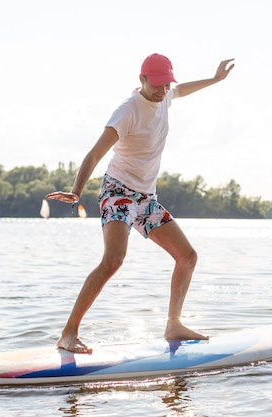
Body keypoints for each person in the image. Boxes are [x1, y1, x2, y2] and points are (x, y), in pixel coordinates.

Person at [46, 53, 235, 353]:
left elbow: (181, 90)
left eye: (165, 84)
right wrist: (76, 191)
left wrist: (215, 79)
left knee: (187, 257)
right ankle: (68, 333)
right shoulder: (127, 111)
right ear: (142, 80)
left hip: (146, 198)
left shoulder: (166, 96)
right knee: (114, 259)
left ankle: (173, 324)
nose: (162, 91)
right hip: (117, 191)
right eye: (156, 85)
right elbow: (94, 154)